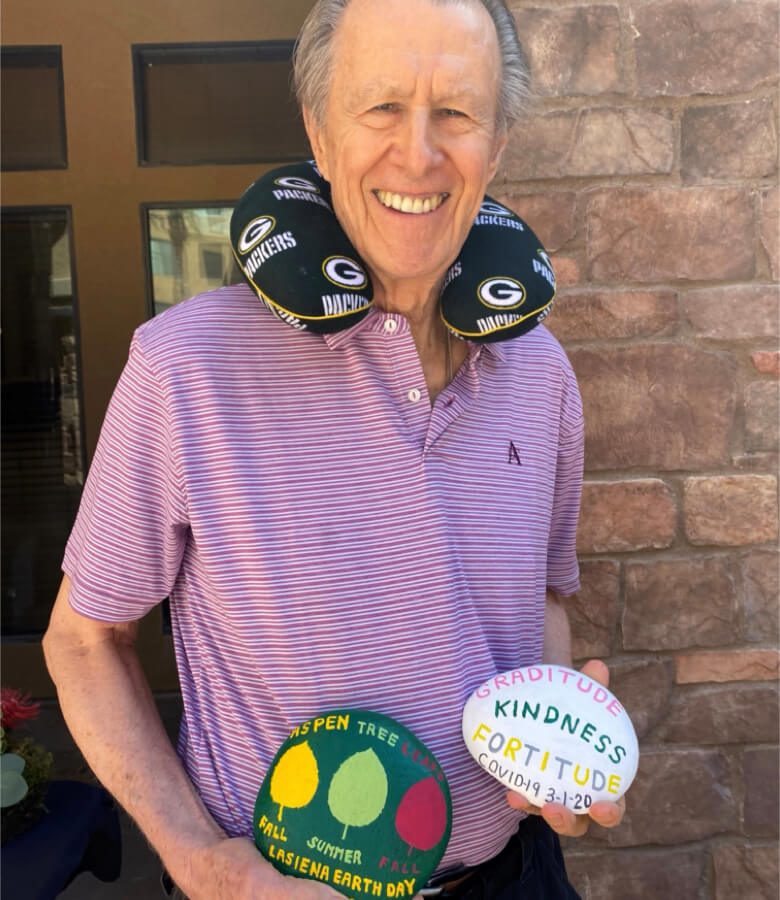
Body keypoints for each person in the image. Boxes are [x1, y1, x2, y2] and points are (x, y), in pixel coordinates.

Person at [43, 1, 626, 897]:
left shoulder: (539, 371)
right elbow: (84, 642)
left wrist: (546, 738)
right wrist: (202, 863)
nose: (419, 154)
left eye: (457, 113)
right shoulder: (186, 366)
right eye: (381, 108)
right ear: (318, 131)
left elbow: (543, 593)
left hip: (514, 877)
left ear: (498, 144)